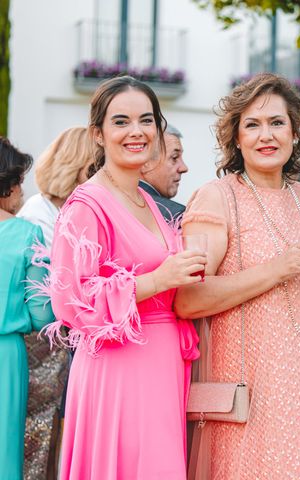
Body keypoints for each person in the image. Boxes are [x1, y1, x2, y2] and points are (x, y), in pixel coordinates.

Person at [175, 73, 300, 479]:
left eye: (276, 122)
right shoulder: (218, 197)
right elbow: (188, 299)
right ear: (236, 139)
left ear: (294, 133)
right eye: (251, 125)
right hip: (251, 401)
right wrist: (276, 269)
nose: (265, 135)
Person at [41, 76, 206, 479]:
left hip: (164, 364)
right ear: (98, 134)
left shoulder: (149, 199)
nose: (136, 131)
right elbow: (70, 301)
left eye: (146, 120)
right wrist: (156, 281)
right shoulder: (87, 204)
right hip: (118, 370)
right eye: (121, 121)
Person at [16, 126, 94, 480]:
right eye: (97, 166)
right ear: (80, 167)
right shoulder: (38, 214)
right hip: (41, 351)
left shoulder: (65, 211)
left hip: (60, 347)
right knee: (39, 442)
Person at [0, 137, 55, 480]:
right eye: (19, 181)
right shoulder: (27, 234)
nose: (22, 191)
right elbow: (42, 314)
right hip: (6, 355)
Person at [139, 123, 188, 223]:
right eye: (174, 157)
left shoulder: (109, 201)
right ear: (144, 162)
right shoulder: (174, 215)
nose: (184, 168)